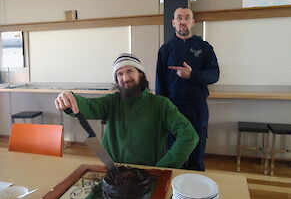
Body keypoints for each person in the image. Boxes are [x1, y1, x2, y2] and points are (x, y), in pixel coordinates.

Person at [55, 53, 199, 169]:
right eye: (119, 74)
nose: (125, 78)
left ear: (141, 74)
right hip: (114, 171)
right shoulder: (111, 102)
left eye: (130, 71)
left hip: (148, 174)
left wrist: (163, 168)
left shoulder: (161, 105)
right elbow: (88, 106)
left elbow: (189, 135)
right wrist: (69, 98)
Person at [155, 7, 219, 171]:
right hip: (173, 108)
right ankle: (173, 193)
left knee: (197, 153)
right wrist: (162, 112)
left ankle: (196, 193)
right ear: (173, 22)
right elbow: (160, 84)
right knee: (173, 153)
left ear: (193, 22)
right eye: (179, 18)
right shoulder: (165, 50)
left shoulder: (205, 48)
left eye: (187, 18)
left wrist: (193, 75)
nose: (183, 21)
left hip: (197, 107)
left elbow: (214, 75)